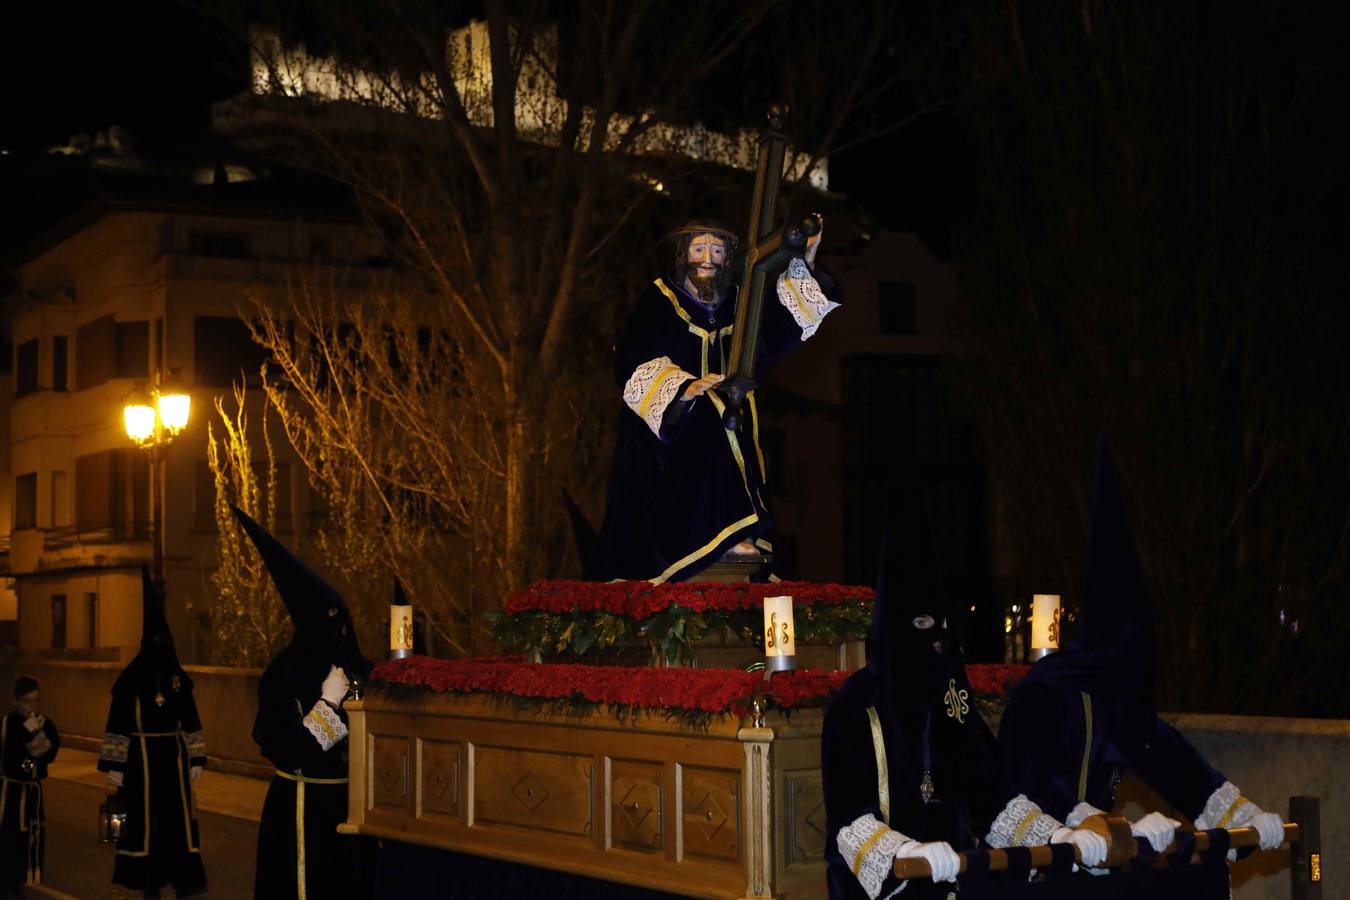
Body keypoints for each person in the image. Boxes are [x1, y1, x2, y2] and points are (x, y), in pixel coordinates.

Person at [993, 438, 1284, 892]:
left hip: (1090, 865)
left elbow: (1174, 764)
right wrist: (1106, 828)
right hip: (1034, 868)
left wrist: (1244, 817)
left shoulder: (1119, 700)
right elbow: (1033, 785)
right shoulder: (1044, 693)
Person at [822, 469, 1104, 899]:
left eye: (944, 627)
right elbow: (849, 820)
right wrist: (907, 852)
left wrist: (1057, 837)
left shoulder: (951, 702)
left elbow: (994, 799)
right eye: (921, 624)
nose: (935, 639)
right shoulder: (854, 707)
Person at [595, 220, 842, 583]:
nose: (707, 259)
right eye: (699, 249)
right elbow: (635, 357)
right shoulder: (660, 299)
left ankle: (738, 533)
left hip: (733, 415)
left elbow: (781, 325)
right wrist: (685, 389)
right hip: (669, 429)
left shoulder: (740, 304)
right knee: (712, 412)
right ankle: (722, 534)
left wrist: (806, 256)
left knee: (725, 415)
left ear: (728, 258)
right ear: (684, 256)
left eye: (717, 250)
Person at [232, 506, 375, 900]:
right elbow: (282, 748)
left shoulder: (355, 667)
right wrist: (328, 705)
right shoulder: (284, 675)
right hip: (301, 810)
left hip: (351, 810)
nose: (340, 635)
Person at [98, 566, 207, 897]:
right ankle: (148, 882)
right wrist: (115, 767)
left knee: (176, 825)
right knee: (145, 826)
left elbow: (190, 716)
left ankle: (181, 880)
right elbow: (117, 722)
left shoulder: (177, 678)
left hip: (173, 763)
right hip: (140, 765)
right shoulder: (130, 680)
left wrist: (196, 756)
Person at [0, 676, 59, 896]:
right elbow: (12, 758)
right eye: (27, 701)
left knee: (27, 840)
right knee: (8, 838)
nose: (31, 707)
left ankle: (18, 882)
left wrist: (35, 736)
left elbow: (48, 756)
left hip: (30, 794)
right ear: (16, 701)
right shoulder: (6, 725)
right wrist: (29, 764)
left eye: (36, 701)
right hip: (8, 794)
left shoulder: (46, 725)